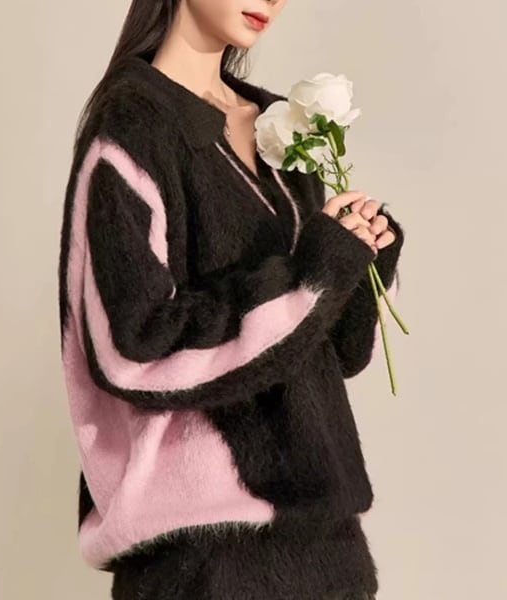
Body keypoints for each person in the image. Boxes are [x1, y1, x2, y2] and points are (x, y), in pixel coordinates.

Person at [58, 1, 405, 598]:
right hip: (202, 560)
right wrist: (313, 275)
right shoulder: (132, 127)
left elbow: (334, 353)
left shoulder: (282, 127)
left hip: (328, 546)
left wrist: (363, 261)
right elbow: (132, 349)